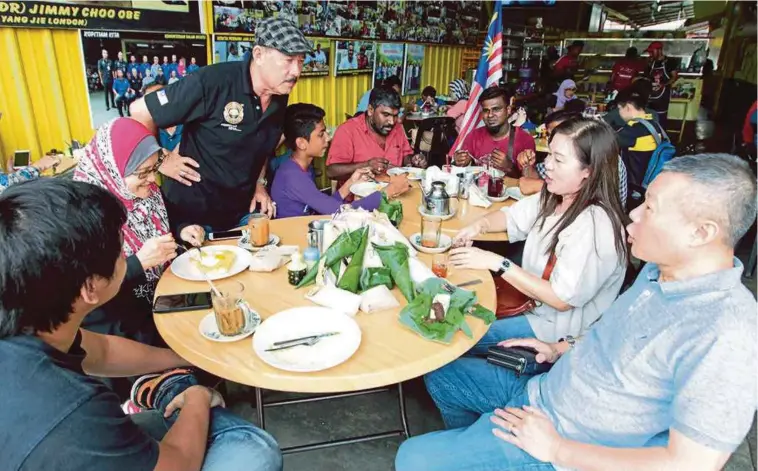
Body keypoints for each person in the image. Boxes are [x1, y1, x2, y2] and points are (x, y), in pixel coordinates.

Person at [395, 153, 757, 471]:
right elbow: (620, 336)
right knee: (442, 374)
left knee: (413, 459)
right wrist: (561, 348)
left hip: (569, 441)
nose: (631, 214)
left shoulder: (728, 333)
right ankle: (481, 449)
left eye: (650, 208)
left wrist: (557, 449)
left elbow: (691, 464)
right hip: (544, 389)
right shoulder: (658, 271)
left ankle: (496, 454)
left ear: (700, 233)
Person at [0, 178, 283, 471]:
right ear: (90, 287)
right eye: (121, 251)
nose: (127, 255)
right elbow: (176, 466)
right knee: (254, 450)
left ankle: (165, 384)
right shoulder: (73, 409)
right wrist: (198, 397)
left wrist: (188, 359)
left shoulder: (28, 322)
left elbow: (103, 351)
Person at [450, 116, 628, 347]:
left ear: (588, 171)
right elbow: (511, 216)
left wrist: (497, 263)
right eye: (550, 155)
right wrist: (478, 226)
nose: (548, 165)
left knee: (457, 336)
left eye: (559, 159)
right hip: (527, 304)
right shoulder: (556, 195)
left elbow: (561, 299)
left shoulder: (595, 225)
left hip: (553, 330)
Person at [129, 17, 311, 233]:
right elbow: (140, 110)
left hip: (241, 212)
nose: (296, 71)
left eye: (301, 61)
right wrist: (161, 159)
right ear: (259, 55)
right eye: (289, 60)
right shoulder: (213, 81)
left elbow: (261, 144)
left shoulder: (279, 93)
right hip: (194, 218)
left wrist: (259, 183)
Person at [73, 117, 204, 342]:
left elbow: (170, 216)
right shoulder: (83, 216)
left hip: (162, 296)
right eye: (142, 173)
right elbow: (89, 291)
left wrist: (183, 229)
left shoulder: (148, 192)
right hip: (123, 328)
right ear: (111, 168)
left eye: (154, 168)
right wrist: (139, 263)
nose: (153, 179)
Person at [272, 104, 409, 218]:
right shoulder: (293, 176)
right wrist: (389, 191)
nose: (328, 138)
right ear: (301, 143)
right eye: (321, 134)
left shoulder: (302, 166)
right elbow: (343, 211)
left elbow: (324, 207)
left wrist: (351, 182)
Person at [517, 110, 628, 207]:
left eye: (561, 132)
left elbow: (598, 203)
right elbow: (532, 182)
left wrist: (541, 187)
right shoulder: (556, 156)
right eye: (551, 134)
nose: (554, 139)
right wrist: (528, 166)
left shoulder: (606, 158)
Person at [327, 86, 427, 189]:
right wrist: (366, 165)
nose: (392, 122)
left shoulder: (397, 128)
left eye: (395, 115)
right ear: (370, 110)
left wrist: (413, 160)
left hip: (395, 193)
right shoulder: (348, 130)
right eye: (386, 114)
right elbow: (332, 172)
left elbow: (406, 156)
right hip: (359, 201)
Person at [452, 86, 536, 178]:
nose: (490, 115)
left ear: (508, 110)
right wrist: (459, 162)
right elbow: (462, 173)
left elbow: (529, 183)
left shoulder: (524, 139)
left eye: (496, 109)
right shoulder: (473, 136)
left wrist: (510, 167)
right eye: (485, 110)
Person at [614, 87, 666, 192]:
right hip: (651, 179)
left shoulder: (633, 130)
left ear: (628, 107)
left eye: (620, 108)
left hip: (635, 186)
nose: (619, 112)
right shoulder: (653, 124)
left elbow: (606, 141)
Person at [645, 41, 678, 130]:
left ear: (659, 50)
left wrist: (663, 85)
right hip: (650, 95)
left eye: (652, 51)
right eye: (649, 52)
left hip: (662, 96)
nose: (650, 53)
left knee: (660, 118)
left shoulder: (670, 62)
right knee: (648, 117)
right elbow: (647, 78)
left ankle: (661, 139)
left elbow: (674, 77)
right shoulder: (650, 63)